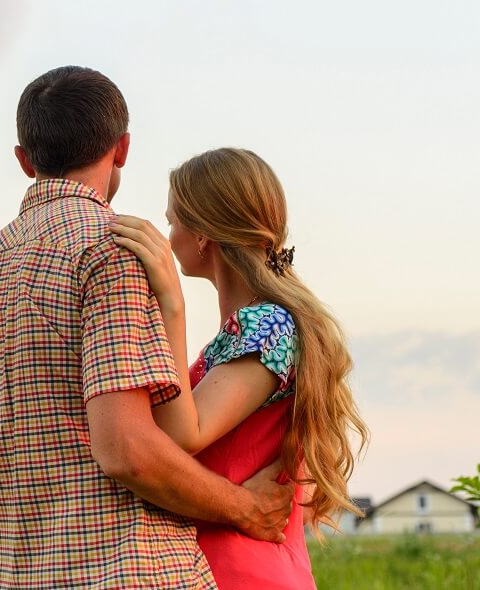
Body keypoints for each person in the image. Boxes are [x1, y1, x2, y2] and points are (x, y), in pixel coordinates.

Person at [0, 66, 293, 589]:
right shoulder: (114, 252)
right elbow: (126, 450)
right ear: (123, 148)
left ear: (24, 160)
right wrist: (245, 508)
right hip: (128, 570)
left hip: (19, 575)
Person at [109, 147, 370, 589]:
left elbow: (182, 435)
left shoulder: (267, 325)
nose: (168, 238)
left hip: (240, 571)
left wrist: (171, 303)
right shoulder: (250, 329)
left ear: (202, 235)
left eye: (172, 221)